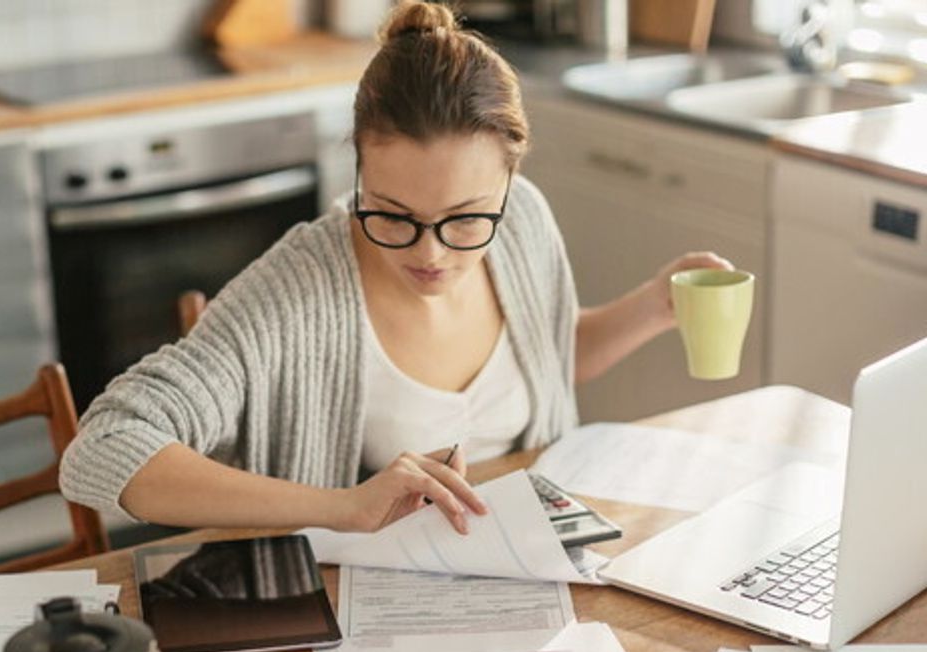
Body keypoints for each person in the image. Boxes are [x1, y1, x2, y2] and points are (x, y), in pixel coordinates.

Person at [59, 0, 731, 536]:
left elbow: (549, 353)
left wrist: (653, 305)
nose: (430, 253)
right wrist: (341, 506)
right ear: (358, 169)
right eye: (393, 213)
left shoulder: (522, 219)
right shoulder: (299, 289)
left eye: (466, 218)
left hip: (529, 567)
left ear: (510, 178)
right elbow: (104, 448)